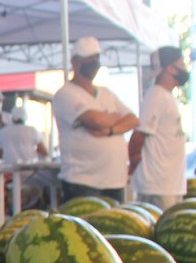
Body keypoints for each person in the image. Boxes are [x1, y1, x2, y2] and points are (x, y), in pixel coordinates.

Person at [52, 36, 138, 202]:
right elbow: (95, 120)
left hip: (115, 181)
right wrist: (117, 117)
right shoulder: (65, 94)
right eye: (89, 59)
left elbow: (133, 120)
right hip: (82, 182)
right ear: (75, 63)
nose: (95, 62)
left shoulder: (106, 92)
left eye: (97, 58)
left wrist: (110, 129)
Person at [127, 45, 190, 208]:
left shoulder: (166, 96)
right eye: (181, 64)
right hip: (157, 186)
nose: (184, 68)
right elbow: (138, 137)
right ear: (170, 68)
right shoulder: (156, 95)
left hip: (169, 184)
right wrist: (134, 165)